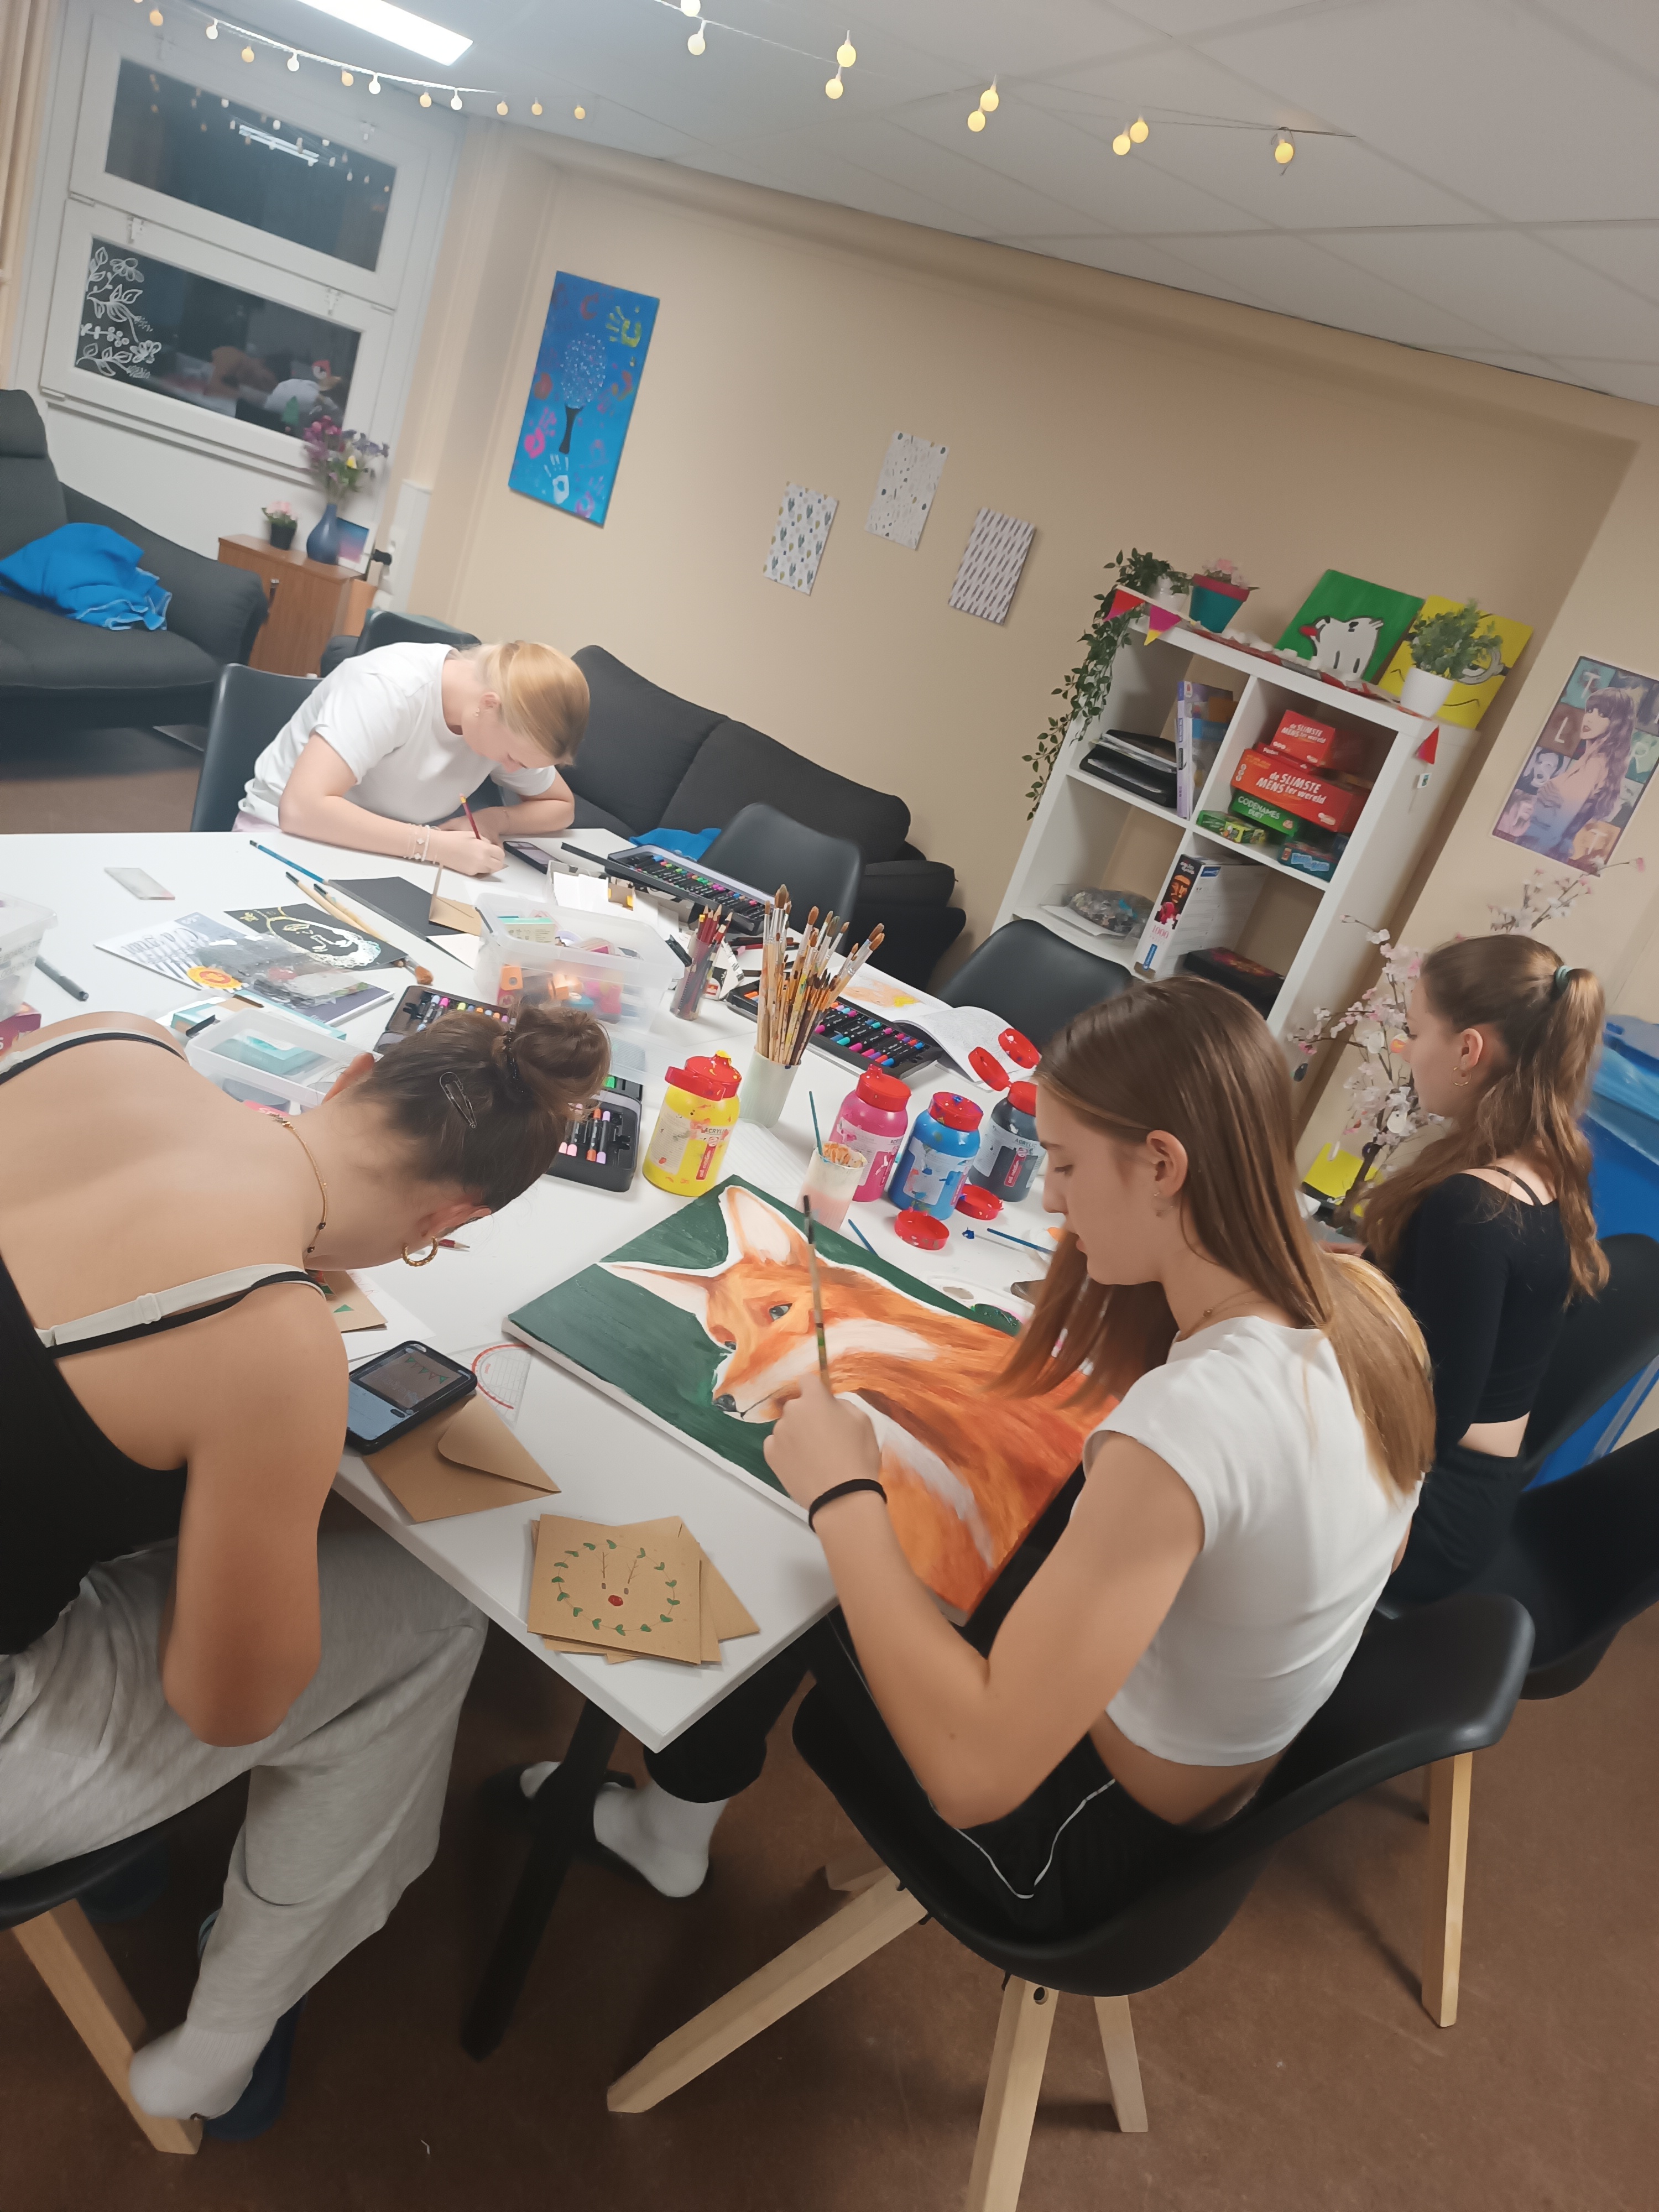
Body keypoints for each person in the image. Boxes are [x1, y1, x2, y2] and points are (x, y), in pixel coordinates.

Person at [516, 980, 1434, 1931]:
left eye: (1066, 1164)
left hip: (1080, 1843)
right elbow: (1383, 1546)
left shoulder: (1192, 1422)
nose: (1052, 1199)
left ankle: (666, 1831)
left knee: (806, 1560)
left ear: (1163, 1163)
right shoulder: (1362, 1305)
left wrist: (844, 1493)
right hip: (1222, 1779)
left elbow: (972, 1778)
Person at [0, 999, 607, 2133]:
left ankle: (129, 1865)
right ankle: (223, 2039)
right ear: (449, 1221)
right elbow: (230, 1707)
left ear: (351, 1074)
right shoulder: (273, 1339)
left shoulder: (109, 1038)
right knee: (432, 1612)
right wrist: (275, 1454)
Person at [1363, 936, 1606, 1605]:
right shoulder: (1545, 1164)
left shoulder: (1472, 1206)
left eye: (1416, 1033)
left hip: (1432, 1507)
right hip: (1476, 1492)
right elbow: (1461, 1302)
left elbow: (1433, 1420)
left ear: (1469, 1050)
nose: (1405, 1050)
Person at [239, 638, 587, 878]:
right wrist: (432, 846)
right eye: (512, 757)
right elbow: (301, 808)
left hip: (386, 852)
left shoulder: (497, 719)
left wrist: (494, 820)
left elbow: (560, 806)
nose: (511, 771)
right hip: (284, 838)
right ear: (489, 705)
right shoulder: (390, 687)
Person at [1523, 685, 1636, 861]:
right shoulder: (1596, 761)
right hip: (1545, 843)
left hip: (1539, 844)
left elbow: (1559, 825)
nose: (1590, 718)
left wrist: (1535, 850)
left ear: (1616, 725)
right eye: (1590, 710)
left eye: (1602, 714)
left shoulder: (1594, 764)